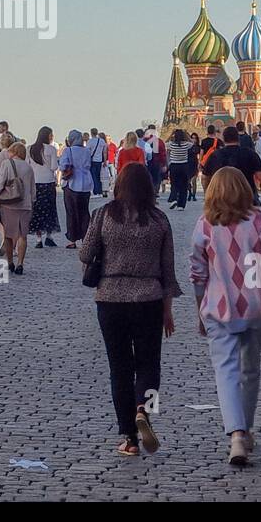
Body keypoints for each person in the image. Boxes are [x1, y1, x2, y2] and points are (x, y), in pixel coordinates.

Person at [79, 162, 180, 457]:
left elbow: (85, 253)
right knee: (149, 364)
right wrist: (168, 310)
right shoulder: (159, 220)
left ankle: (129, 438)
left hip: (110, 299)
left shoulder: (104, 215)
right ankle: (144, 411)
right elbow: (168, 270)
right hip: (148, 298)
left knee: (119, 368)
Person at [190, 166, 261, 466]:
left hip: (219, 307)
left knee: (226, 371)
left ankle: (236, 434)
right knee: (251, 369)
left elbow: (197, 274)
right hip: (258, 306)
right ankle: (245, 428)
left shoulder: (205, 225)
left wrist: (199, 310)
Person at [201, 126, 261, 209]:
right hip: (246, 198)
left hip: (221, 199)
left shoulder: (215, 156)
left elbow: (205, 178)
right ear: (238, 138)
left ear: (223, 139)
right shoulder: (249, 154)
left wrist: (208, 195)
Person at [0, 140, 34, 274]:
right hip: (25, 205)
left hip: (9, 204)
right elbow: (33, 190)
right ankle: (20, 263)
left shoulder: (6, 164)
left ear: (14, 152)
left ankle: (9, 262)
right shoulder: (28, 167)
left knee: (9, 236)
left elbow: (0, 185)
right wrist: (31, 203)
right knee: (23, 235)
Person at [58, 129, 93, 247]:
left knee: (71, 212)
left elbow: (63, 165)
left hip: (72, 184)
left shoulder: (68, 150)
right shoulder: (87, 151)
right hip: (86, 184)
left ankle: (72, 239)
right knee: (84, 212)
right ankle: (86, 237)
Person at [27, 127, 60, 248]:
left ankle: (38, 238)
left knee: (37, 210)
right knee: (50, 209)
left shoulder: (29, 149)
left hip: (35, 182)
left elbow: (27, 165)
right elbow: (54, 167)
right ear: (47, 136)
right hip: (48, 181)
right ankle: (49, 236)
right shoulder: (51, 149)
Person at [163, 128, 196, 211]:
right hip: (184, 166)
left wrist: (171, 134)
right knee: (184, 186)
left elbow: (165, 143)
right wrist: (186, 134)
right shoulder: (186, 144)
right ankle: (181, 205)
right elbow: (192, 143)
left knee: (174, 184)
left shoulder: (171, 144)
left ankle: (174, 199)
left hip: (174, 166)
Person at [87, 127, 108, 197]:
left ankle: (96, 191)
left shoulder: (90, 141)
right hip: (99, 160)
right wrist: (104, 161)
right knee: (98, 176)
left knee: (93, 176)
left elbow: (87, 152)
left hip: (92, 161)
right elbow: (104, 152)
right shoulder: (101, 141)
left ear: (91, 133)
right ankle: (99, 190)